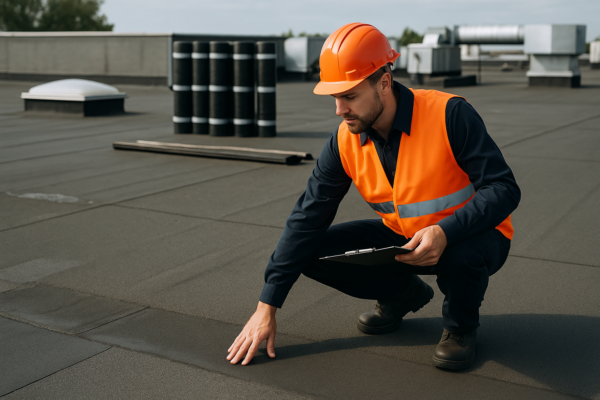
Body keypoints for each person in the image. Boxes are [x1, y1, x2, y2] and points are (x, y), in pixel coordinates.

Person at [227, 22, 520, 370]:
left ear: (384, 82)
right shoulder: (344, 140)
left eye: (349, 96)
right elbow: (307, 217)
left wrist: (445, 231)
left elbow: (503, 189)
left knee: (461, 255)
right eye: (335, 97)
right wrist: (267, 306)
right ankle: (402, 295)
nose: (339, 109)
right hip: (404, 235)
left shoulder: (449, 114)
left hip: (474, 236)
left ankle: (460, 328)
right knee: (309, 251)